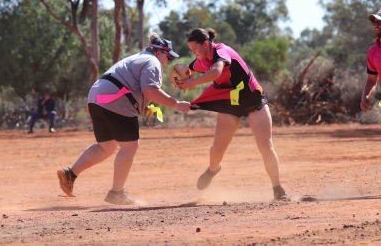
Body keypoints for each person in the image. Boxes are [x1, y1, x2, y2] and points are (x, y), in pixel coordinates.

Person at [57, 33, 190, 205]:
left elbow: (134, 88)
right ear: (159, 52)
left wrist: (143, 107)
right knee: (130, 146)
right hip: (114, 99)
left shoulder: (139, 58)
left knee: (107, 146)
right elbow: (150, 90)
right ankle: (116, 193)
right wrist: (176, 104)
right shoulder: (153, 62)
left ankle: (70, 174)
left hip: (97, 97)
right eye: (168, 57)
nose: (168, 61)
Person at [180, 28, 287, 200]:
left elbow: (216, 71)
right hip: (230, 102)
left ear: (206, 44)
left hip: (253, 98)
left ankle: (278, 189)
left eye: (194, 49)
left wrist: (193, 83)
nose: (193, 53)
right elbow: (189, 70)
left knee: (266, 146)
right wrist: (181, 77)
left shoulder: (221, 51)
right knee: (217, 150)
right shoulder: (202, 60)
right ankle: (213, 169)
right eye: (191, 50)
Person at [360, 9, 381, 112]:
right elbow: (372, 80)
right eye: (374, 22)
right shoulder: (373, 52)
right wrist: (365, 97)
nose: (375, 25)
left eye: (379, 22)